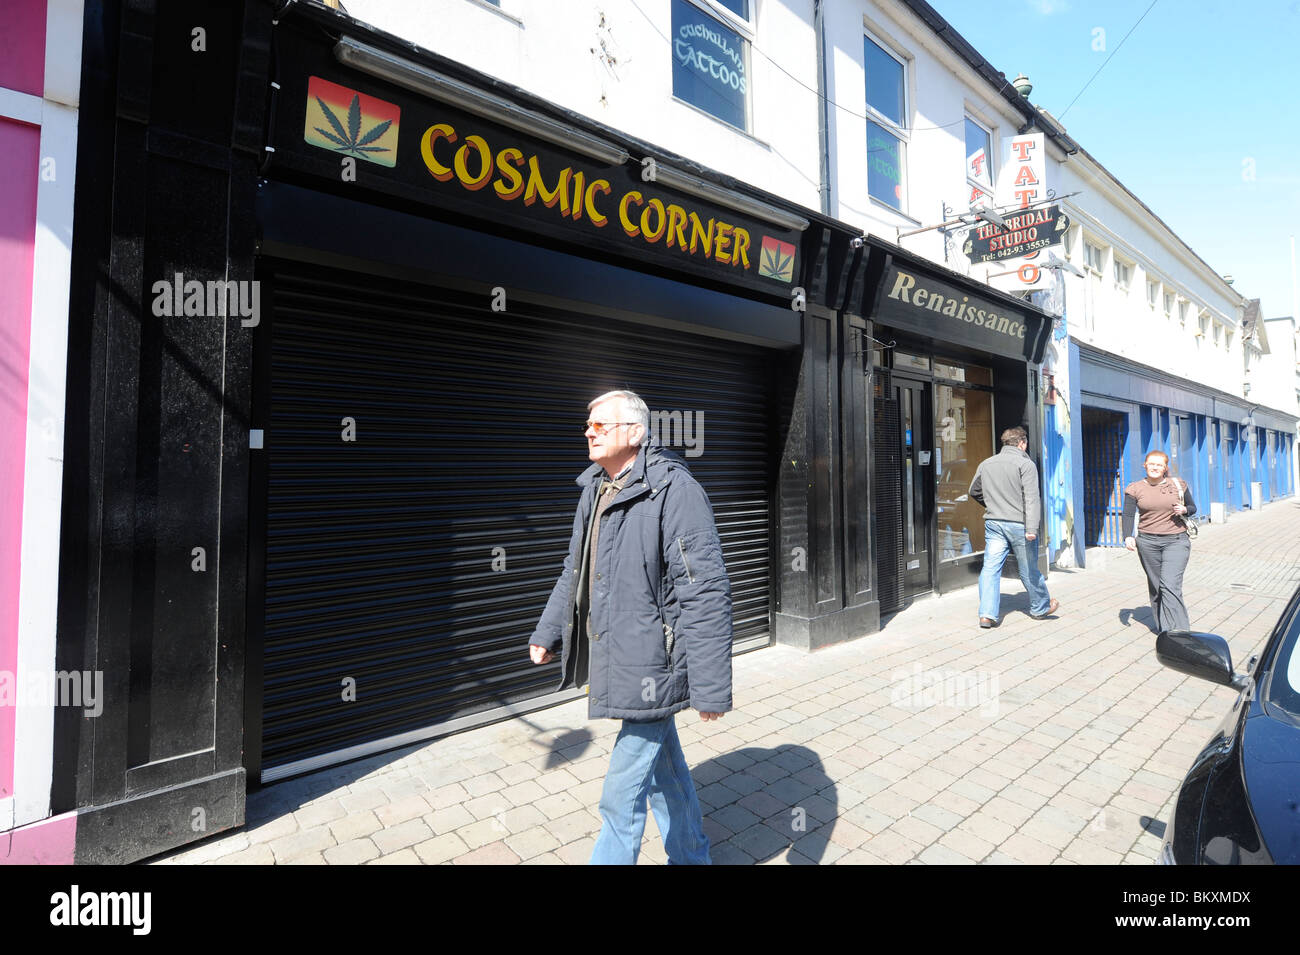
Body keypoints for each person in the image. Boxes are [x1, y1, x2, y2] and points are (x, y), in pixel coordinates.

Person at [528, 389, 733, 865]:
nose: (589, 432)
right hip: (619, 652)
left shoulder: (675, 491)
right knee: (667, 775)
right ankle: (693, 856)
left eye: (600, 425)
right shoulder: (595, 489)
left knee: (619, 796)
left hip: (654, 666)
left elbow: (702, 587)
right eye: (588, 425)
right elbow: (574, 571)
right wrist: (548, 631)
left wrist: (710, 687)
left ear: (635, 433)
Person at [969, 425, 1060, 628]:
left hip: (994, 523)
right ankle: (1040, 607)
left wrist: (992, 504)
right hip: (1019, 524)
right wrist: (1032, 529)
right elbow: (1031, 499)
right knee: (1028, 569)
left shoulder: (987, 463)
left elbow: (974, 490)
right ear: (1022, 443)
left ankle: (986, 614)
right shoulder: (1025, 465)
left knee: (990, 568)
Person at [1123, 450, 1195, 634]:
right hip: (1147, 542)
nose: (1155, 467)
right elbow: (1129, 514)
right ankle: (1164, 628)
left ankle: (1180, 632)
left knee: (1170, 585)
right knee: (1156, 586)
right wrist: (1127, 535)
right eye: (1151, 464)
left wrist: (1185, 509)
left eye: (1159, 465)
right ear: (1145, 465)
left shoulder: (1178, 485)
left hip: (1176, 540)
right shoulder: (1135, 488)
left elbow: (1193, 507)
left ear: (1165, 468)